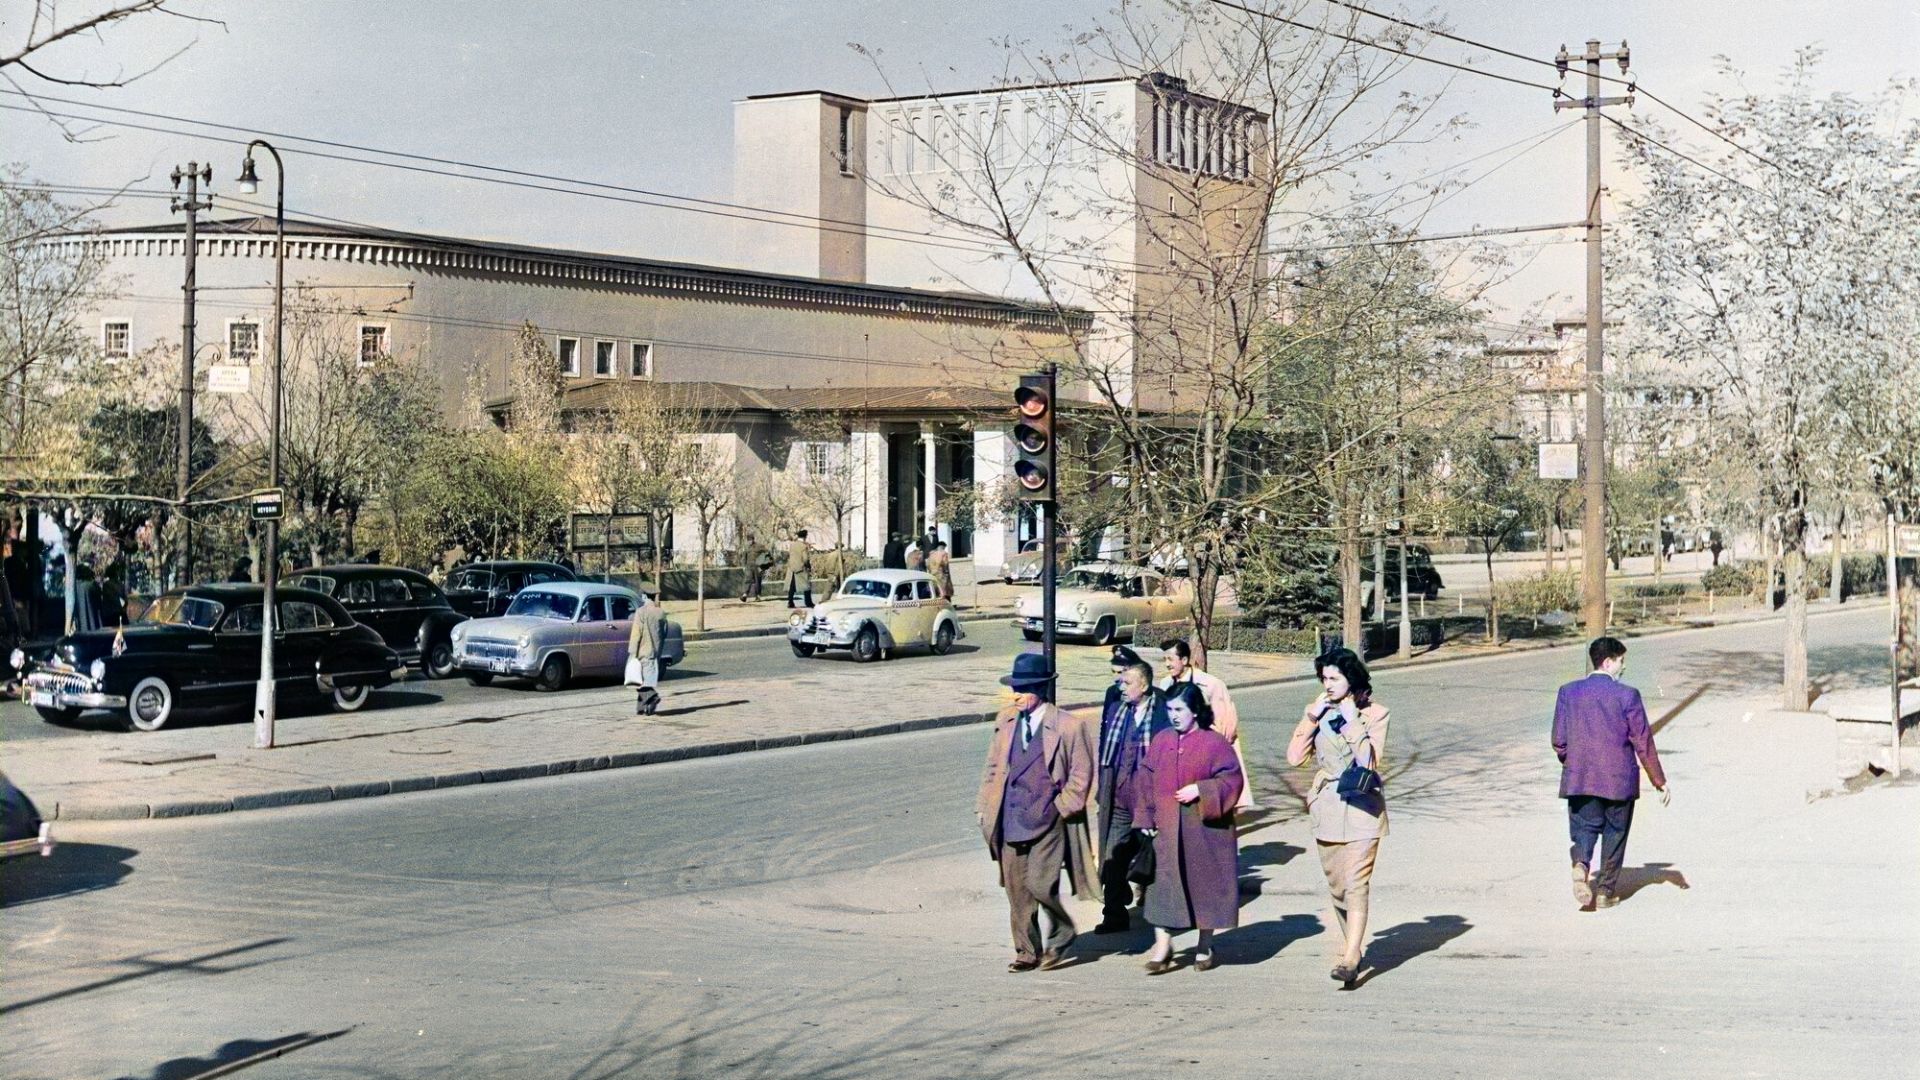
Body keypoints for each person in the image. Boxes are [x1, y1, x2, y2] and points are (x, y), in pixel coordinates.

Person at [975, 653, 1096, 973]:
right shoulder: (1006, 721)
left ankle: (1061, 935)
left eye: (1023, 688)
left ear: (1040, 689)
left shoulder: (1069, 726)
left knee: (1041, 885)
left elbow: (1081, 775)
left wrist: (1062, 806)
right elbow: (992, 767)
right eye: (1014, 687)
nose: (1016, 695)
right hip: (1010, 817)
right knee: (1017, 890)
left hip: (1048, 821)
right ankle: (1027, 951)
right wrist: (985, 805)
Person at [1288, 647, 1390, 988]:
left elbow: (1368, 762)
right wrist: (1311, 718)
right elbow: (1293, 758)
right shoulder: (1319, 712)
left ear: (1351, 679)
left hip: (1362, 807)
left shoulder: (1375, 714)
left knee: (1356, 883)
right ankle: (1354, 947)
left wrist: (1351, 720)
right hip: (1328, 806)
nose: (1328, 685)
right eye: (1324, 679)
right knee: (1337, 888)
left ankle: (1349, 957)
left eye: (1335, 678)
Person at [1552, 636, 1669, 911]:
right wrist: (1659, 781)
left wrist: (1575, 762)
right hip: (1619, 782)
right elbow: (1643, 741)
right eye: (1621, 661)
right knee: (1615, 833)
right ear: (1608, 662)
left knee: (1584, 827)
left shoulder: (1567, 692)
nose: (1623, 667)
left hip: (1580, 779)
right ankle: (1604, 892)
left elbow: (1559, 740)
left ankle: (1581, 864)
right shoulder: (1628, 695)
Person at [1137, 681, 1244, 973]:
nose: (1173, 715)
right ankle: (1162, 946)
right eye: (1169, 709)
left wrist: (1201, 789)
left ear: (1195, 710)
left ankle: (1204, 945)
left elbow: (1232, 780)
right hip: (1167, 829)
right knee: (1161, 888)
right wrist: (1145, 817)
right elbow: (1145, 779)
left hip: (1205, 831)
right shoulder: (1162, 740)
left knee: (1204, 888)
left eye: (1179, 709)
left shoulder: (1215, 743)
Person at [1092, 657, 1167, 934]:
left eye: (1128, 682)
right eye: (1121, 681)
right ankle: (1113, 914)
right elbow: (1105, 749)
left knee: (1148, 852)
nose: (1121, 687)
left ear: (1145, 685)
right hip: (1120, 796)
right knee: (1112, 853)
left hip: (1149, 798)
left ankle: (1159, 909)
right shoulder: (1116, 710)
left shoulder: (1162, 713)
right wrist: (1104, 787)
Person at [1158, 639, 1253, 810]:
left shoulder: (1211, 684)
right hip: (1178, 749)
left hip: (1206, 752)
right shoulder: (1165, 684)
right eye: (1164, 660)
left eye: (1170, 659)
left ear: (1185, 660)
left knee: (1205, 798)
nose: (1167, 664)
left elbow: (1225, 725)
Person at [626, 591, 669, 716]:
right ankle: (642, 708)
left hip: (642, 651)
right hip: (655, 651)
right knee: (645, 680)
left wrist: (632, 652)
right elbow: (664, 632)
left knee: (637, 680)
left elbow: (636, 633)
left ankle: (652, 696)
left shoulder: (641, 612)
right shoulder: (660, 612)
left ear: (644, 596)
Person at [784, 530, 814, 609]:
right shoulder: (804, 546)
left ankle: (790, 602)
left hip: (792, 568)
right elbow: (805, 559)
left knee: (792, 586)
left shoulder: (792, 545)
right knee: (806, 586)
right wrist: (808, 566)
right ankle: (808, 602)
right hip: (801, 568)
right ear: (805, 537)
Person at [738, 536, 765, 602]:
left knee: (757, 581)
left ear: (753, 539)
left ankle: (758, 596)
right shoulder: (746, 547)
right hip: (749, 566)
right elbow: (744, 557)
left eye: (751, 540)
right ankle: (745, 595)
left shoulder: (759, 546)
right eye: (748, 540)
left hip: (758, 566)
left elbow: (765, 555)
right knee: (747, 580)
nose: (750, 542)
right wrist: (744, 566)